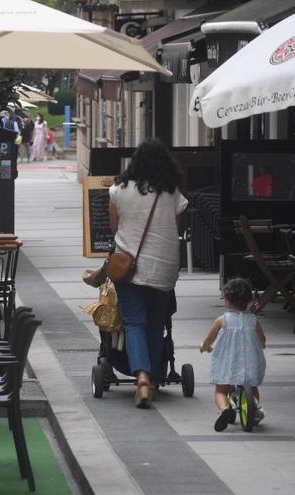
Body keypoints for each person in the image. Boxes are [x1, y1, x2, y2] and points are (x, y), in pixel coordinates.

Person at [108, 138, 189, 408]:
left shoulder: (119, 190)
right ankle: (152, 378)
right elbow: (177, 227)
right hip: (164, 268)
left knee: (133, 323)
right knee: (156, 324)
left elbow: (114, 227)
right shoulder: (173, 192)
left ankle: (141, 376)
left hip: (128, 266)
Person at [201, 277, 266, 431]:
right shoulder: (253, 320)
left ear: (227, 300)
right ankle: (254, 409)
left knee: (221, 390)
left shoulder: (222, 320)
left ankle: (224, 409)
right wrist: (261, 345)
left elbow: (209, 339)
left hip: (227, 362)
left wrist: (204, 347)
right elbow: (262, 339)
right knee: (252, 386)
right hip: (250, 362)